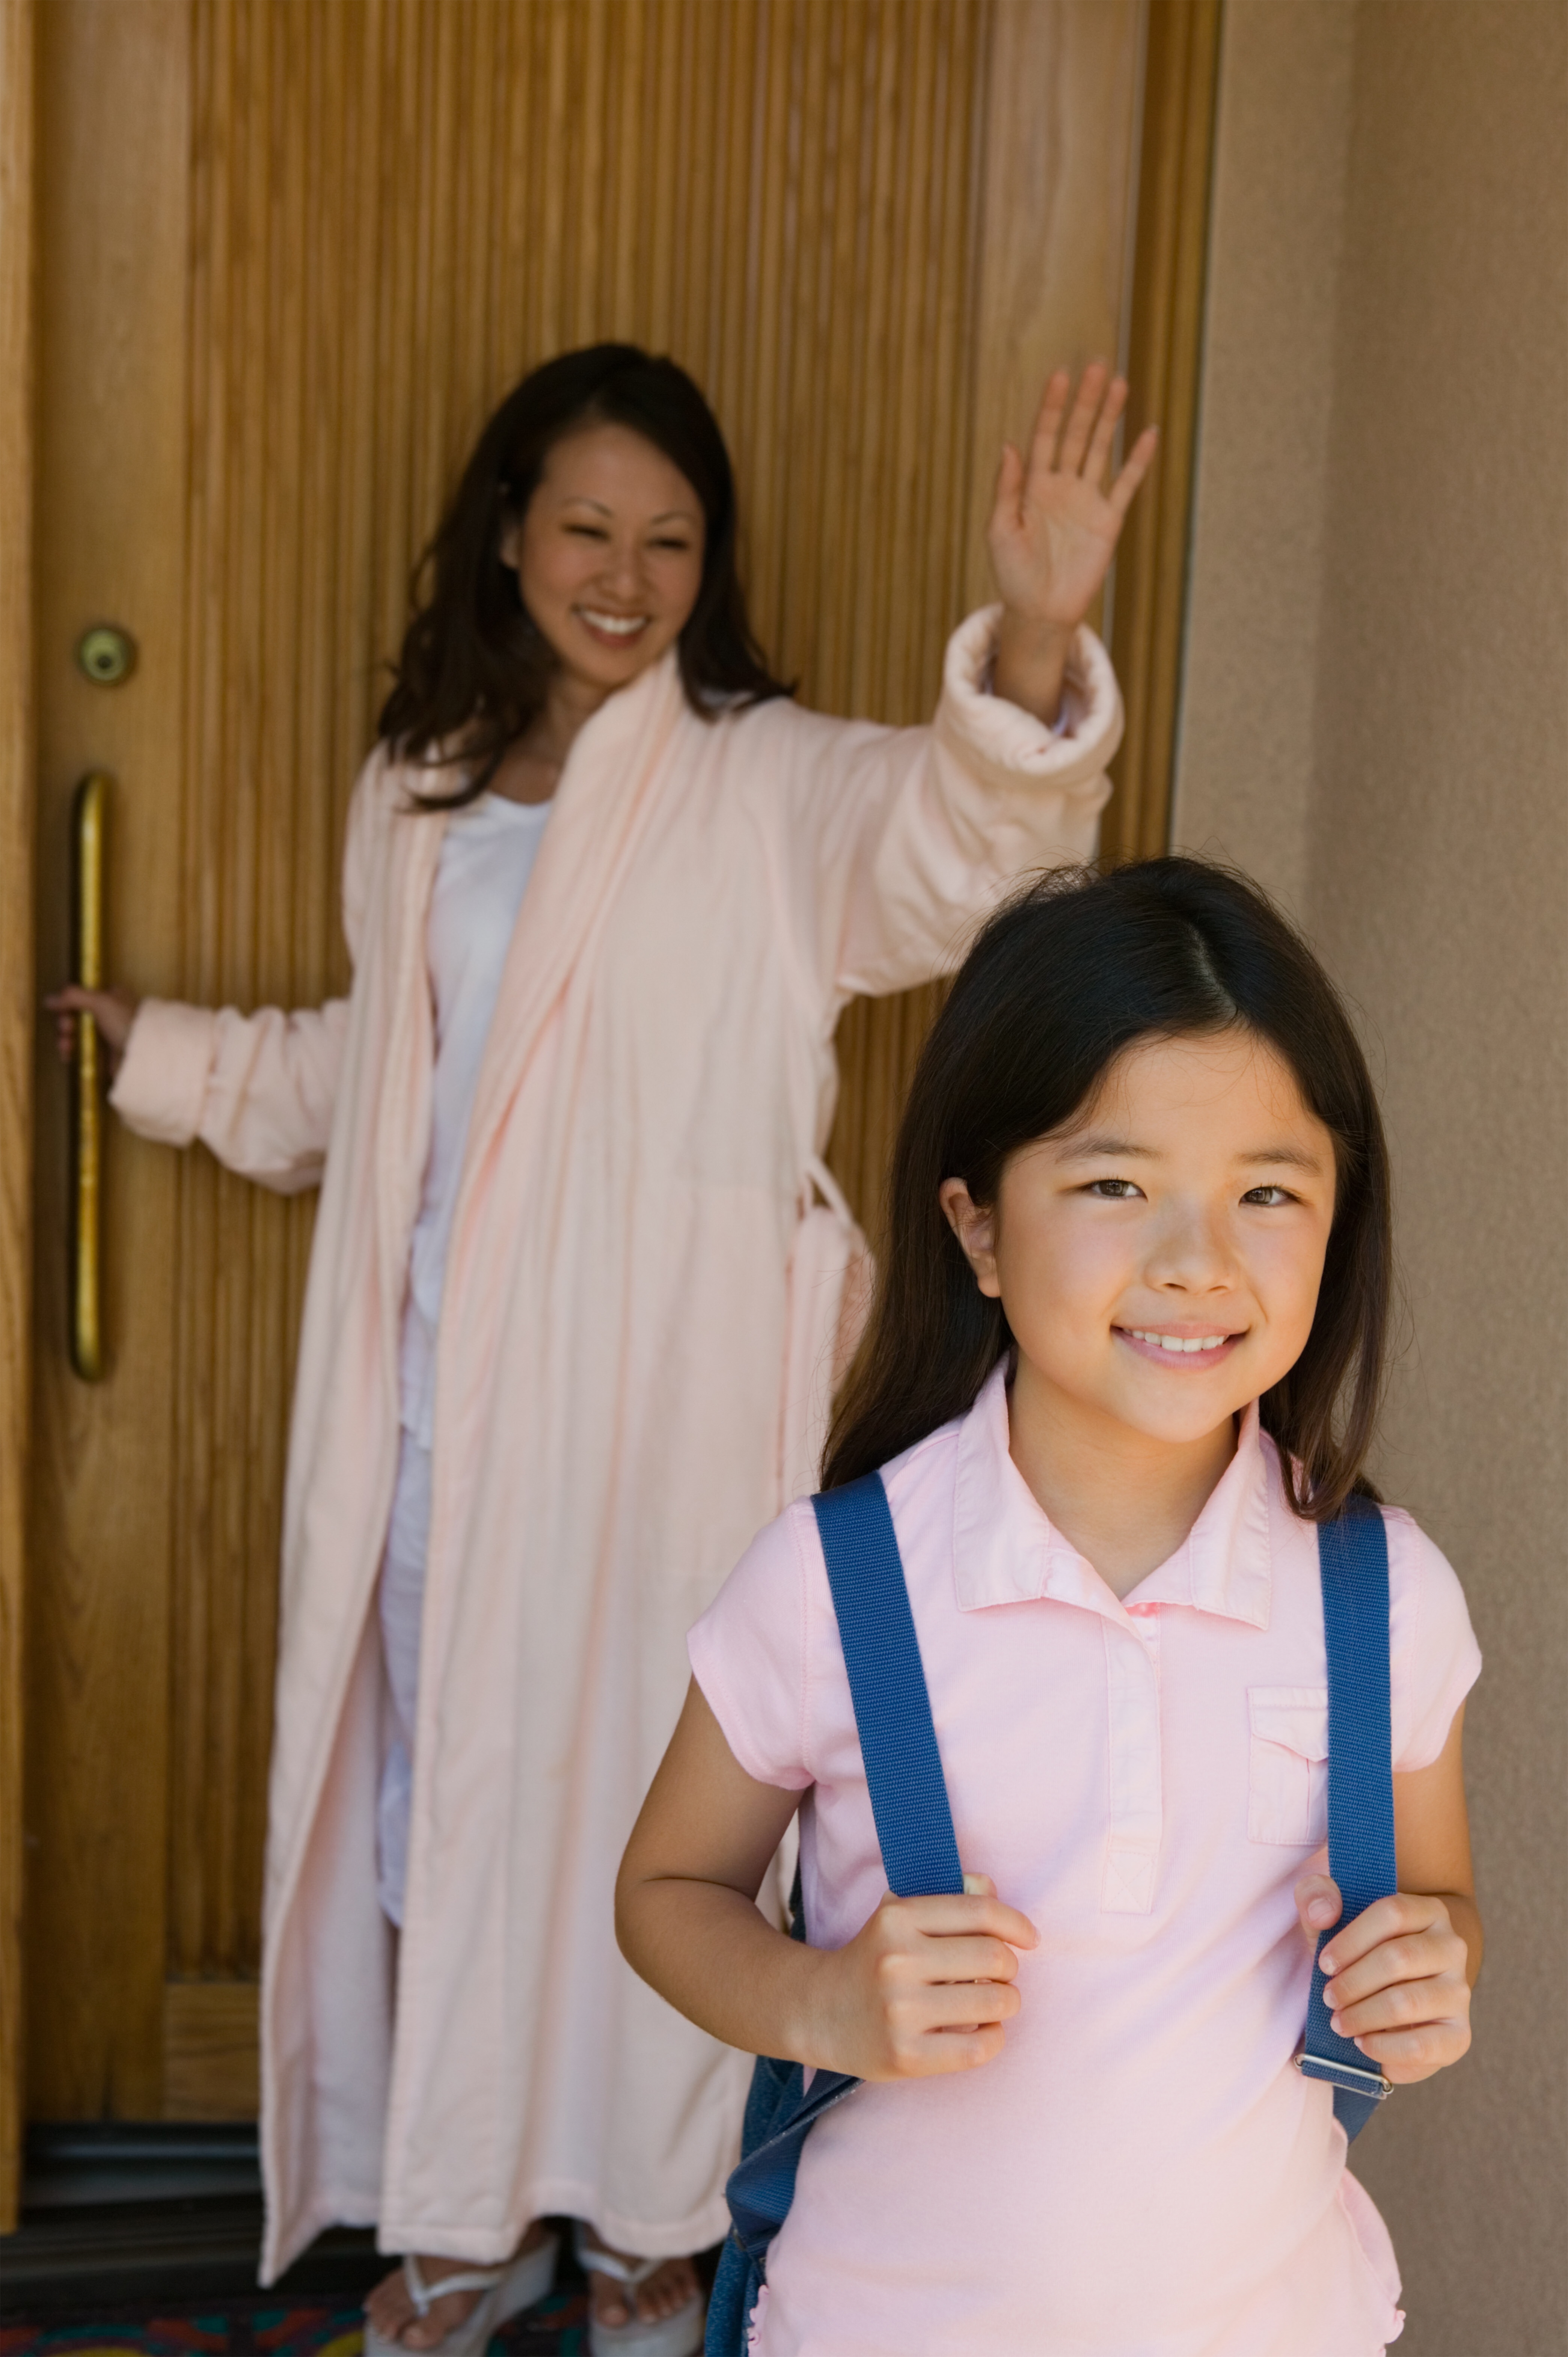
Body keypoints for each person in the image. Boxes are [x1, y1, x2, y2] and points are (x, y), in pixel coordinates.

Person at [48, 345, 1155, 2355]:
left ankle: (653, 2228)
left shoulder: (763, 776)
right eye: (585, 527)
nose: (624, 573)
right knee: (454, 1801)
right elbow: (385, 1079)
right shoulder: (421, 786)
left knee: (672, 1812)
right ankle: (464, 2221)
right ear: (508, 531)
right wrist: (174, 1053)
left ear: (707, 562)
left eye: (667, 538)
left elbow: (955, 853)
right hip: (435, 1401)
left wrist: (1045, 621)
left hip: (664, 1407)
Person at [618, 858, 1483, 2356]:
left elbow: (1440, 1900)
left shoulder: (1379, 1592)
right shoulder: (840, 1583)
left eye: (1266, 1192)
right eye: (1114, 1185)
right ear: (979, 1228)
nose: (1197, 1260)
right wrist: (821, 2003)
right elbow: (667, 1895)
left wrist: (1432, 1967)